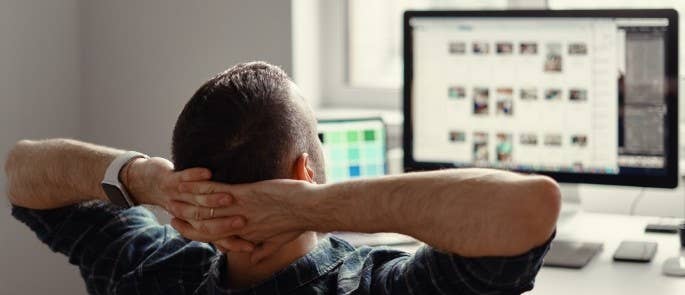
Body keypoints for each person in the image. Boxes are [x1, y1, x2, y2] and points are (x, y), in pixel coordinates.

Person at [5, 61, 560, 294]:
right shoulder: (372, 287)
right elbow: (530, 206)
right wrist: (308, 206)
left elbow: (21, 169)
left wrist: (141, 177)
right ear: (305, 170)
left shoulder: (145, 271)